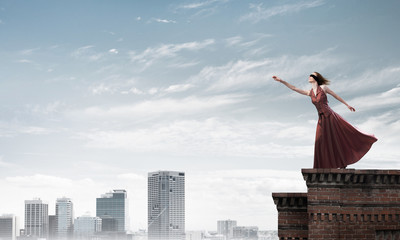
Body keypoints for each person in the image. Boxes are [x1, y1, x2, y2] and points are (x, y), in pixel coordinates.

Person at [272, 72, 377, 169]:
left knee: (337, 138)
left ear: (316, 78)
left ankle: (342, 162)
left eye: (311, 75)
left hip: (330, 117)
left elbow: (335, 95)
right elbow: (294, 88)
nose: (309, 76)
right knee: (320, 141)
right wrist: (281, 81)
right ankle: (322, 166)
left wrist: (347, 105)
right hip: (321, 119)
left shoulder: (323, 88)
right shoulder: (309, 93)